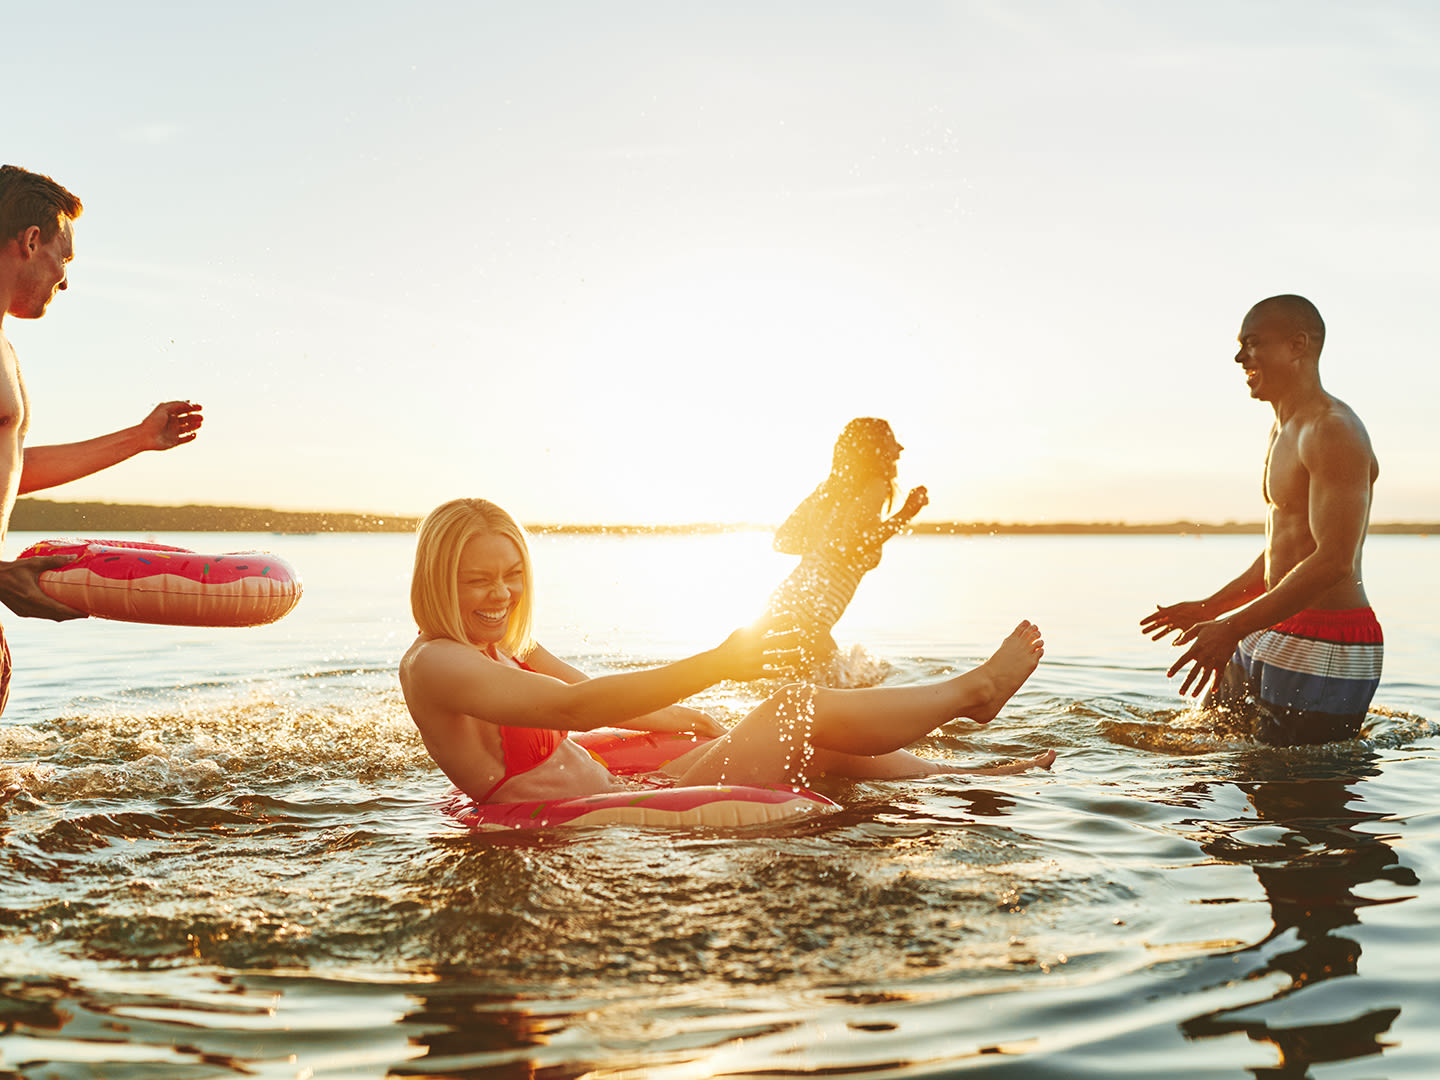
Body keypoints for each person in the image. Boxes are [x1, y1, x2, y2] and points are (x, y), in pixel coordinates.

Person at [399, 498, 1054, 806]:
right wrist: (718, 662)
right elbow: (578, 704)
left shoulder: (504, 648)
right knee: (797, 707)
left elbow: (591, 690)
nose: (501, 594)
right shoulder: (438, 665)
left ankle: (965, 778)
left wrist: (680, 719)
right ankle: (974, 695)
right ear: (438, 579)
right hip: (581, 825)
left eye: (512, 575)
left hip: (618, 791)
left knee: (816, 740)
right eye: (477, 580)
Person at [0, 165, 203, 713]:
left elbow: (13, 470)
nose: (64, 281)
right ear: (31, 240)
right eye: (63, 262)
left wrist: (138, 438)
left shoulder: (6, 348)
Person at [1140, 295, 1382, 747]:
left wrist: (1232, 626)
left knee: (1295, 797)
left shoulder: (1333, 429)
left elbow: (1334, 561)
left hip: (1329, 642)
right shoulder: (1283, 429)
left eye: (1251, 344)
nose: (1239, 357)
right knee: (1211, 753)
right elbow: (1283, 553)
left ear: (1297, 346)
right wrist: (1214, 608)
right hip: (1275, 622)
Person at [761, 418, 928, 680]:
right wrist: (906, 513)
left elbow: (784, 539)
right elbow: (855, 542)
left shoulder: (828, 492)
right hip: (809, 619)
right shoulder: (875, 485)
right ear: (875, 449)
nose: (899, 449)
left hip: (786, 604)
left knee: (802, 695)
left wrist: (824, 545)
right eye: (891, 442)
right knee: (841, 696)